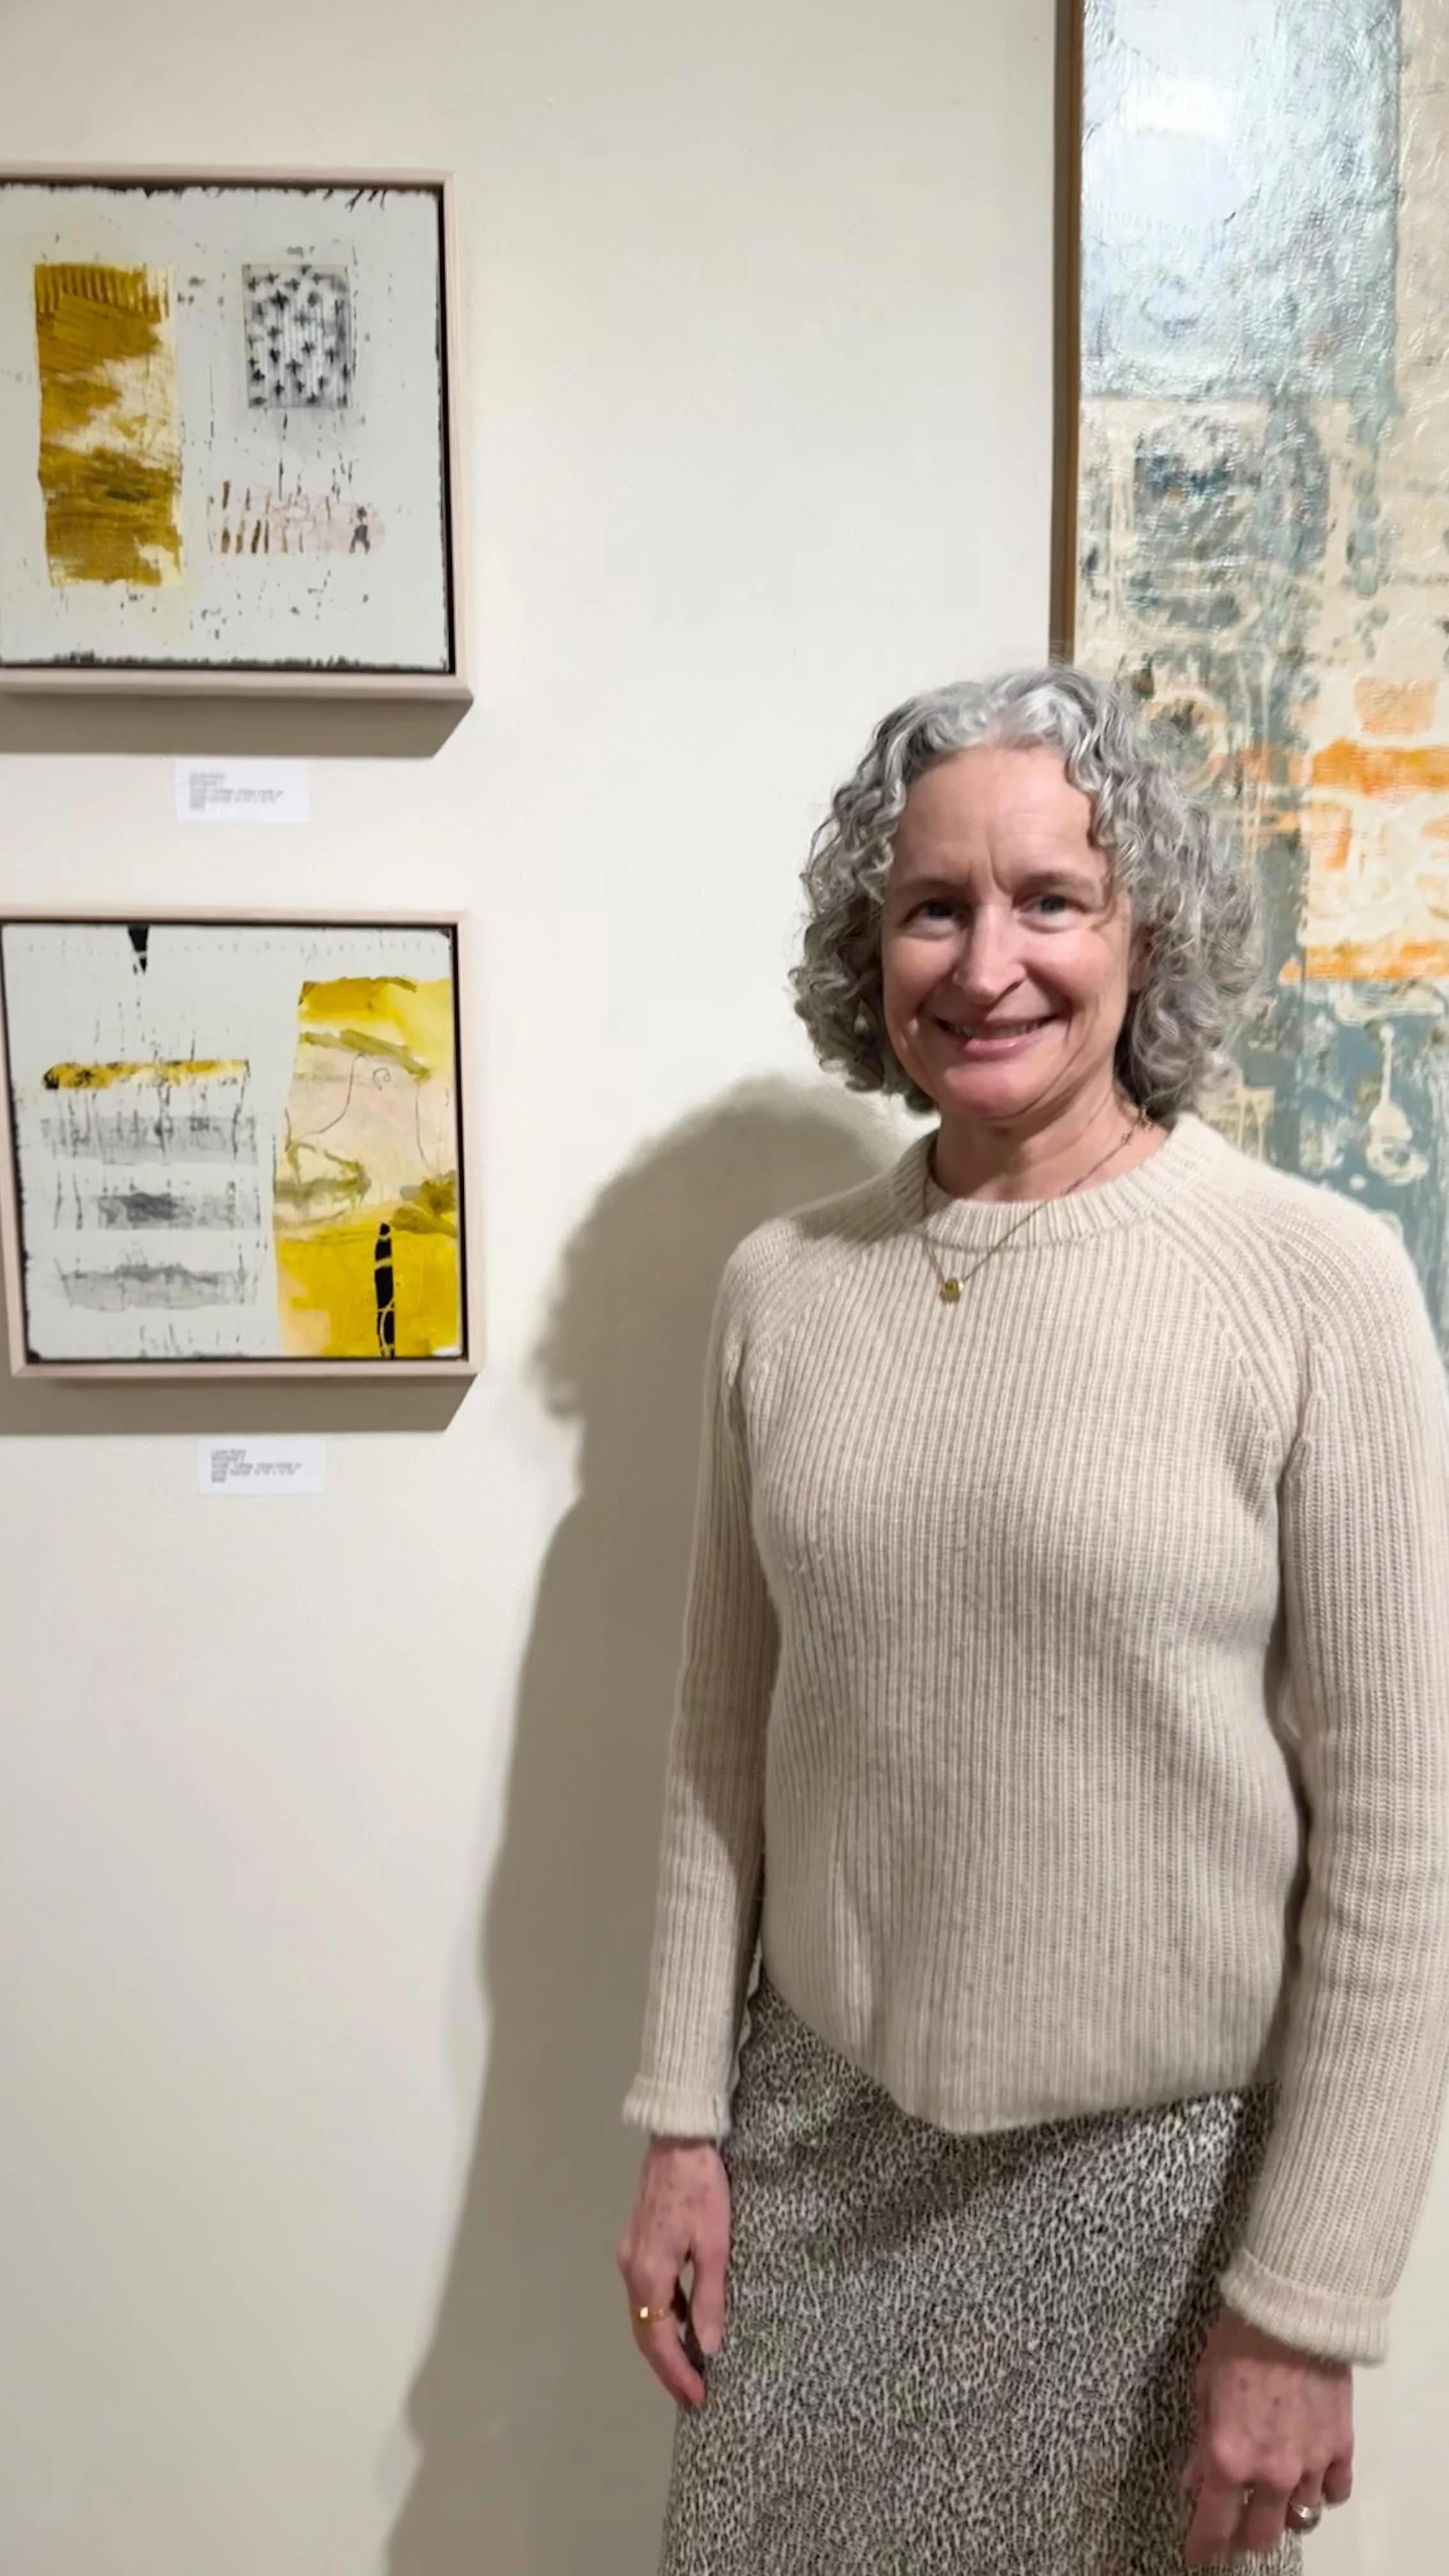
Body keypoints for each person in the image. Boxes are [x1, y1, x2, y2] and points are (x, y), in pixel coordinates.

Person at [617, 665, 1449, 2573]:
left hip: (1162, 2213)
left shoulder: (1314, 1285)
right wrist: (681, 2123)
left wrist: (1309, 2302)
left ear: (1143, 931)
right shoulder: (783, 1291)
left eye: (1050, 899)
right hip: (820, 2156)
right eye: (934, 906)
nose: (987, 965)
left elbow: (1399, 1846)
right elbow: (718, 1742)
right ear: (871, 944)